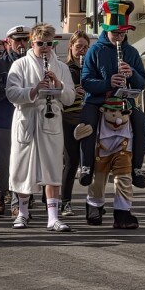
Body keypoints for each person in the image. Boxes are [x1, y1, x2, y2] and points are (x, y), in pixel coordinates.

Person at [6, 23, 75, 232]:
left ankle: (53, 217)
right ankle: (22, 213)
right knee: (23, 167)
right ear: (31, 42)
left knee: (52, 167)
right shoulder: (19, 65)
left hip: (50, 120)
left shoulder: (61, 67)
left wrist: (59, 87)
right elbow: (11, 93)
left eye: (49, 43)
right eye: (40, 43)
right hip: (27, 119)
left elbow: (71, 98)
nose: (45, 47)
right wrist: (35, 90)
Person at [78, 0, 145, 191]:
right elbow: (86, 81)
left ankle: (137, 168)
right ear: (106, 30)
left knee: (143, 125)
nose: (119, 37)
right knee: (87, 124)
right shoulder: (95, 50)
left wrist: (132, 73)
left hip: (124, 102)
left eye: (122, 33)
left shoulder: (132, 52)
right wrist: (107, 83)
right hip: (98, 101)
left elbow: (141, 83)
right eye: (115, 33)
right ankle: (86, 166)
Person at [0, 26, 30, 216]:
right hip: (6, 116)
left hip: (28, 116)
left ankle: (17, 201)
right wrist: (11, 88)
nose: (21, 43)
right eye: (17, 40)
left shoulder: (32, 61)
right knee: (4, 159)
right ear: (8, 42)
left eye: (24, 40)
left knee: (23, 160)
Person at [60, 31, 90, 217]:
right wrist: (71, 92)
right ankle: (65, 202)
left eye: (85, 47)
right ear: (70, 47)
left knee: (89, 163)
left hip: (86, 118)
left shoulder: (91, 68)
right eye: (78, 46)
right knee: (70, 162)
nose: (82, 51)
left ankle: (94, 202)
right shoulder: (64, 68)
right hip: (68, 119)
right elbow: (58, 95)